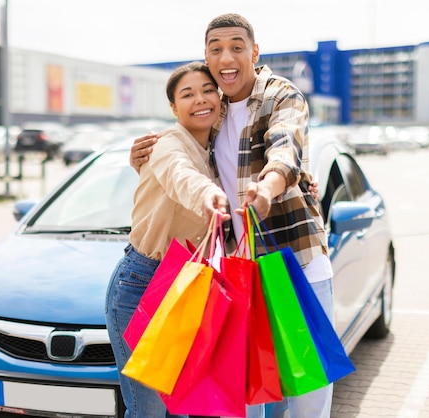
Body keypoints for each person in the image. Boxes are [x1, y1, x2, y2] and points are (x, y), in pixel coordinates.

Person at [130, 13, 334, 418]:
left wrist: (270, 186)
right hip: (237, 275)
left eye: (237, 47)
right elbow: (183, 163)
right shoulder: (214, 109)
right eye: (216, 49)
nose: (227, 56)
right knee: (245, 396)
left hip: (294, 265)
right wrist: (140, 162)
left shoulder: (281, 95)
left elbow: (285, 148)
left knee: (307, 393)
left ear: (254, 52)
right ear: (206, 57)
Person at [105, 61, 231, 418]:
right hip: (144, 283)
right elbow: (180, 175)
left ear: (220, 100)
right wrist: (207, 195)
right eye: (187, 94)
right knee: (150, 410)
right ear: (174, 109)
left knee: (187, 405)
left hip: (191, 284)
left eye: (208, 90)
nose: (201, 99)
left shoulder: (217, 147)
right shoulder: (165, 145)